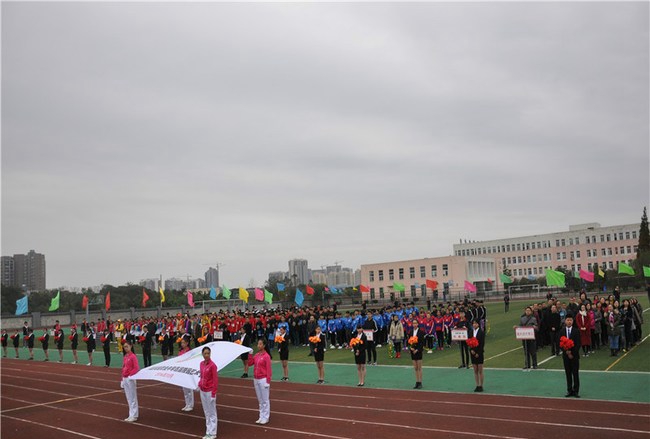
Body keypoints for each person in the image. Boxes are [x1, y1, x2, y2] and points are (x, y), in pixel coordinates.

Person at [248, 339, 272, 425]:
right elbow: (250, 363)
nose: (258, 345)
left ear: (264, 345)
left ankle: (266, 417)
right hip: (256, 379)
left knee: (265, 399)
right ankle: (261, 416)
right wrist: (250, 354)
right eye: (258, 344)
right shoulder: (257, 355)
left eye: (260, 344)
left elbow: (269, 370)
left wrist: (268, 381)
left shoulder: (266, 356)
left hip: (263, 379)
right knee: (260, 400)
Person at [199, 346, 218, 439]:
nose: (206, 355)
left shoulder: (213, 365)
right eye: (205, 353)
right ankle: (208, 431)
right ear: (202, 354)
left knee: (212, 412)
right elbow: (201, 376)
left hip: (210, 391)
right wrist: (199, 384)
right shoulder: (201, 364)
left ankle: (213, 432)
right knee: (206, 412)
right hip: (202, 391)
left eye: (208, 353)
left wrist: (213, 393)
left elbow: (215, 380)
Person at [561, 314, 581, 398]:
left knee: (575, 373)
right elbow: (559, 343)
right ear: (565, 321)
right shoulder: (561, 331)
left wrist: (572, 353)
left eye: (570, 320)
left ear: (572, 321)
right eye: (567, 320)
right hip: (566, 356)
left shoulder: (576, 331)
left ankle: (576, 391)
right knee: (568, 373)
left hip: (574, 356)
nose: (569, 322)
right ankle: (569, 390)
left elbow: (578, 344)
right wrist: (566, 351)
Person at [121, 340, 140, 422]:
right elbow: (123, 367)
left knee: (133, 397)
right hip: (125, 378)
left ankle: (134, 415)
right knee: (128, 397)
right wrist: (122, 379)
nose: (125, 348)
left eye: (127, 346)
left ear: (130, 346)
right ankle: (131, 414)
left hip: (130, 378)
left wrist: (130, 375)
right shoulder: (125, 356)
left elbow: (136, 368)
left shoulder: (133, 356)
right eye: (124, 347)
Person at [178, 336, 194, 412]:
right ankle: (187, 404)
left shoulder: (189, 351)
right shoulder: (180, 351)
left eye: (183, 342)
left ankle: (191, 404)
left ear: (187, 343)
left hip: (187, 372)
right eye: (181, 342)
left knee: (189, 390)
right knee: (184, 390)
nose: (182, 344)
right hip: (182, 371)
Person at [469, 319, 485, 392]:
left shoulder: (481, 332)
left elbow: (482, 344)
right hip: (472, 353)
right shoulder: (471, 332)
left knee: (480, 370)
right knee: (475, 370)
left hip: (479, 353)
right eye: (473, 323)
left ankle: (481, 385)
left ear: (478, 324)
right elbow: (469, 342)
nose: (474, 324)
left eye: (476, 323)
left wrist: (478, 353)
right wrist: (471, 350)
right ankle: (477, 385)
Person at [409, 317, 424, 389]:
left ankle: (420, 382)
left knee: (419, 367)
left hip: (418, 351)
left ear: (418, 324)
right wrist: (411, 348)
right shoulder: (411, 332)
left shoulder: (421, 332)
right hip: (412, 351)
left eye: (415, 323)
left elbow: (422, 343)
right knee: (415, 368)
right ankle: (417, 382)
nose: (414, 324)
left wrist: (417, 350)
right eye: (413, 323)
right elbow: (409, 341)